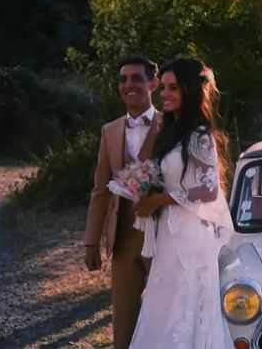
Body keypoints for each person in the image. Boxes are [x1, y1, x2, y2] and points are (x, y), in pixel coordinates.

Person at [130, 58, 235, 348]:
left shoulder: (201, 137)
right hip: (168, 232)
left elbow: (209, 191)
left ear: (189, 90)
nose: (164, 93)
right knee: (164, 304)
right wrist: (144, 188)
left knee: (188, 307)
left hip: (191, 235)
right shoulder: (172, 132)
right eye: (162, 87)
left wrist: (162, 198)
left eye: (173, 87)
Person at [83, 56, 162, 349]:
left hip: (164, 237)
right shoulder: (110, 130)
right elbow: (100, 190)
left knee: (165, 317)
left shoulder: (172, 125)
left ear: (153, 83)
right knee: (123, 326)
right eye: (123, 79)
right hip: (122, 240)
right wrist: (91, 241)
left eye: (136, 78)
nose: (129, 85)